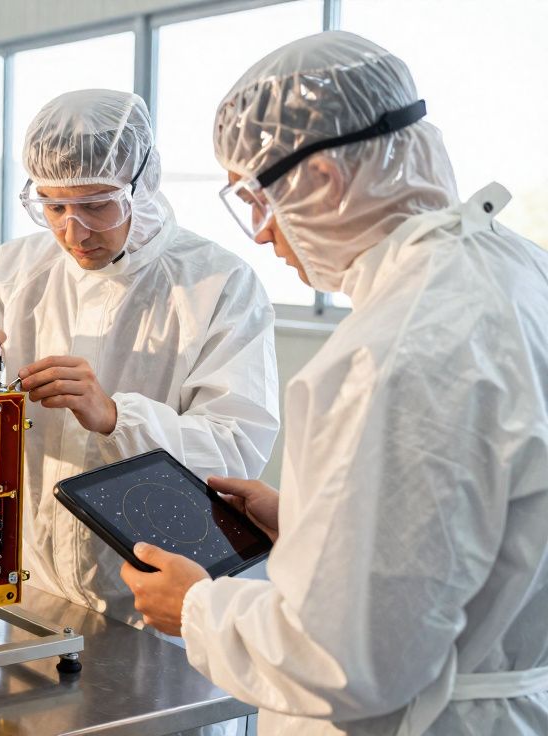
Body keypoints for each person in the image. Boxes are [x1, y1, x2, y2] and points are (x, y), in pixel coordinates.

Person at [122, 31, 548, 734]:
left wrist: (196, 608)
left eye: (259, 197)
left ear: (323, 179)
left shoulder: (398, 345)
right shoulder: (516, 273)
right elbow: (478, 523)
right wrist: (318, 526)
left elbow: (343, 659)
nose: (261, 234)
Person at [0, 89, 280, 616]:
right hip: (27, 579)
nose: (72, 231)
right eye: (53, 206)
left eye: (95, 205)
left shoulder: (216, 283)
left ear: (141, 186)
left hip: (153, 599)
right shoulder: (16, 269)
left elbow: (235, 449)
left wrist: (114, 418)